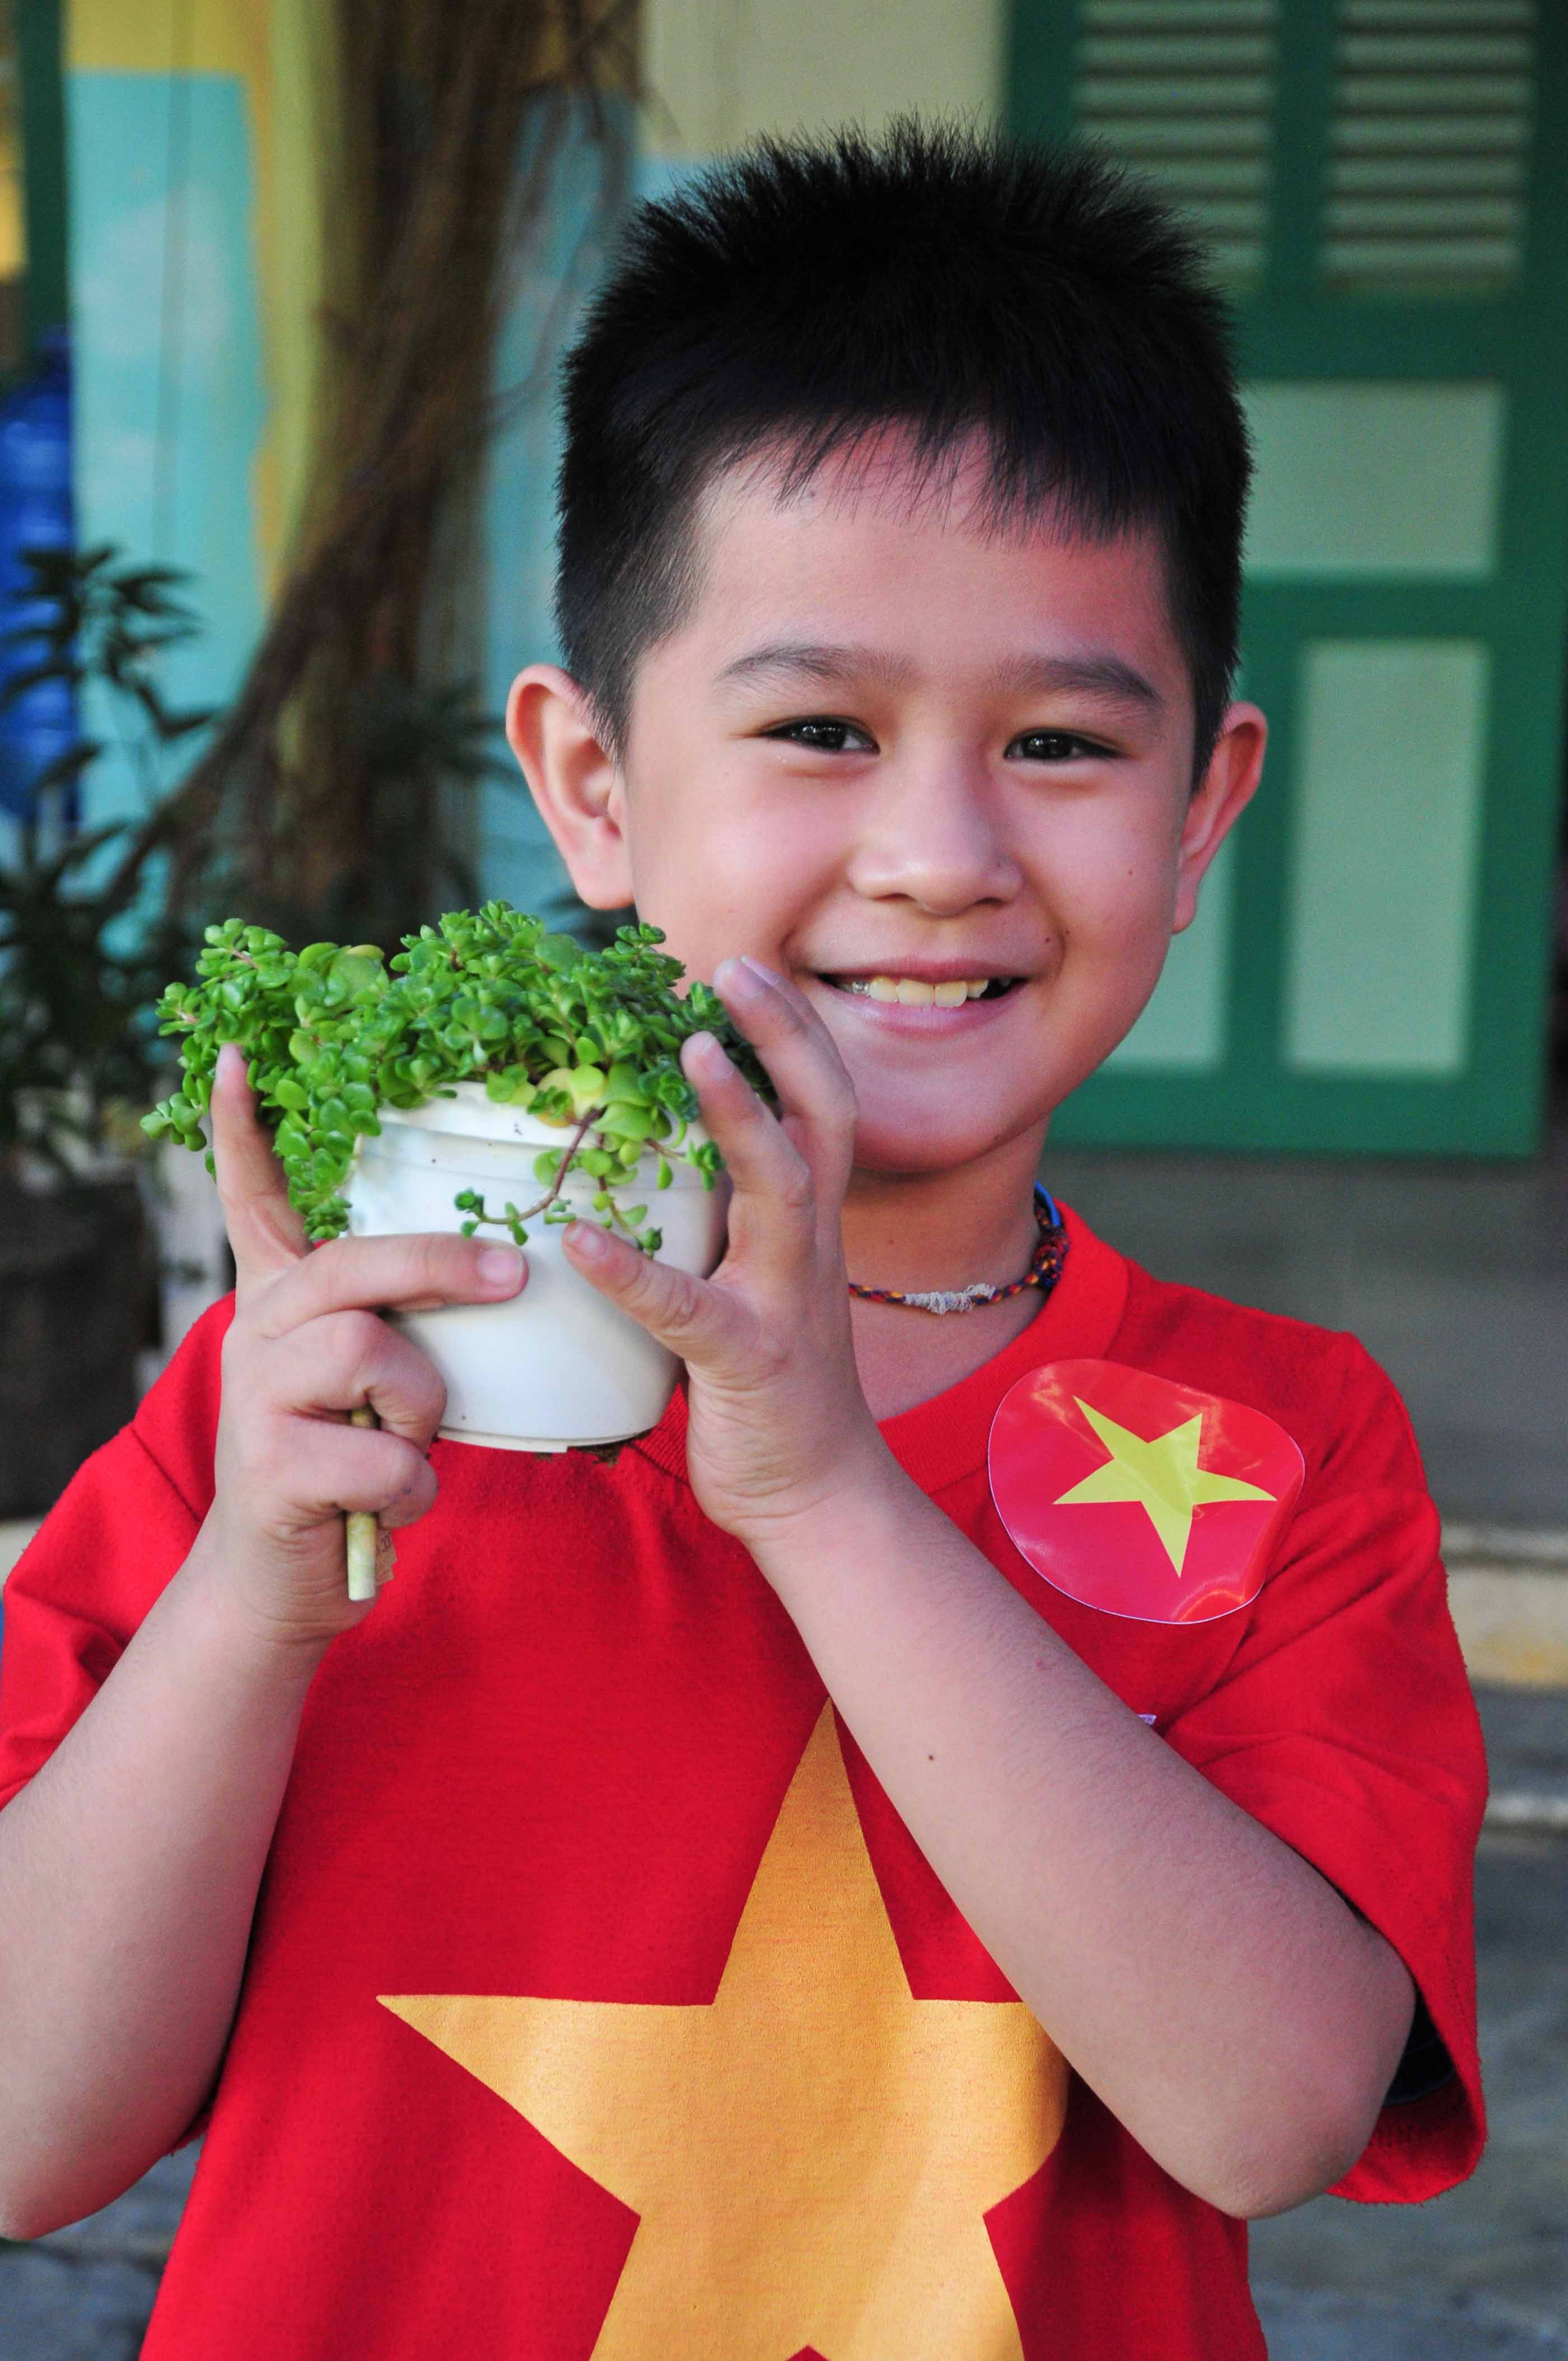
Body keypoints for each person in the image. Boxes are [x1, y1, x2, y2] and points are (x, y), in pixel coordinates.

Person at [0, 123, 1483, 2359]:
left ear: (1202, 811)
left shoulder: (1278, 1437)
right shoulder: (310, 1412)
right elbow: (24, 2133)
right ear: (591, 787)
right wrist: (248, 1597)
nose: (935, 850)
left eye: (1063, 742)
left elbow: (1266, 2109)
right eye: (818, 726)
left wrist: (816, 1487)